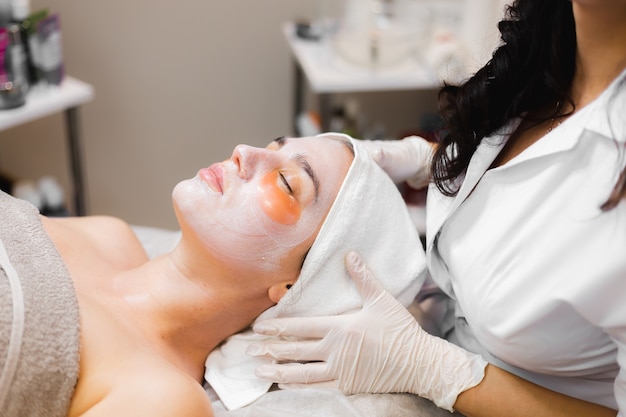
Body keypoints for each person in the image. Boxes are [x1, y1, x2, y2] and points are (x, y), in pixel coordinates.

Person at [247, 1, 626, 416]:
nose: (241, 154)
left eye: (289, 182)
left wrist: (437, 371)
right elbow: (535, 186)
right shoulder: (551, 48)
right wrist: (441, 160)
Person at [0, 133, 425, 417]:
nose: (244, 150)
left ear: (294, 288)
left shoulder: (164, 397)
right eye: (272, 143)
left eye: (286, 183)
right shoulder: (110, 235)